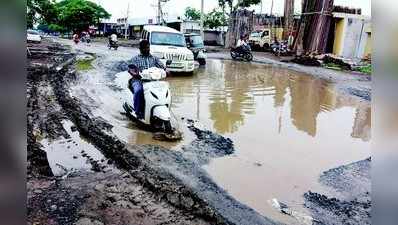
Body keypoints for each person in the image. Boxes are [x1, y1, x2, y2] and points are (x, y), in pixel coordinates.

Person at [129, 39, 166, 119]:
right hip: (138, 80)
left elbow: (162, 67)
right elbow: (131, 69)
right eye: (145, 48)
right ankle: (138, 111)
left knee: (164, 90)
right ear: (140, 49)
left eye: (148, 47)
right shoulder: (135, 59)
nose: (147, 49)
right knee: (139, 91)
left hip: (152, 81)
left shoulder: (154, 58)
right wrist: (134, 73)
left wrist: (166, 70)